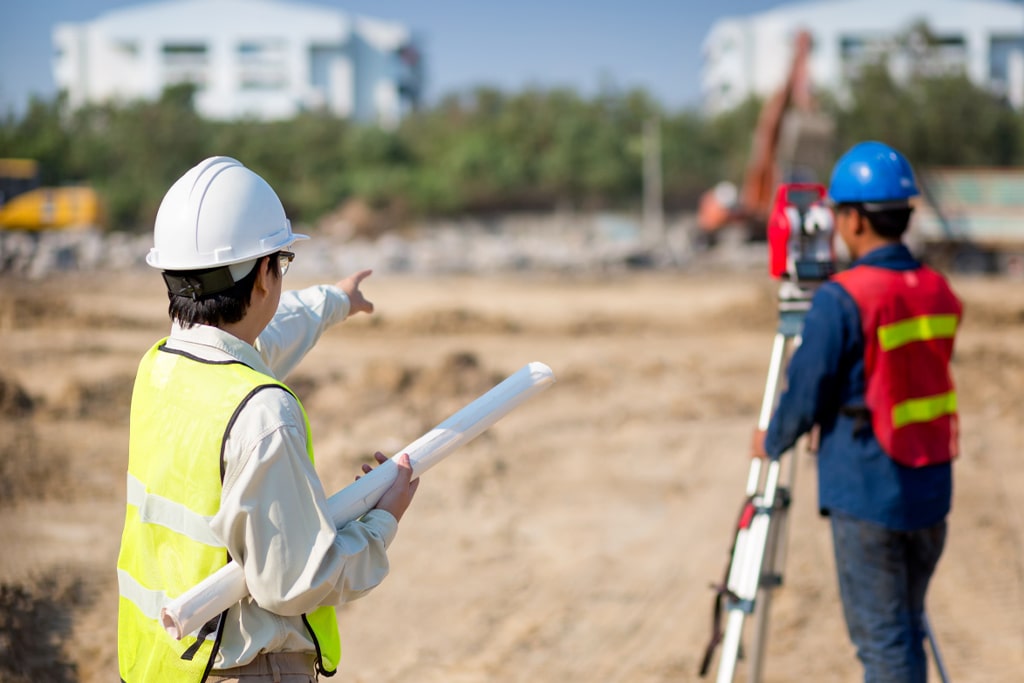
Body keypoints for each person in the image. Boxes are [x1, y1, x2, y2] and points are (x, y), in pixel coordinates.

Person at [117, 156, 420, 683]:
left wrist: (333, 301)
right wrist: (381, 520)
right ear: (264, 275)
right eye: (280, 262)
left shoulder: (160, 369)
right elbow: (296, 581)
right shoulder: (262, 414)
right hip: (245, 669)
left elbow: (258, 340)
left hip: (160, 664)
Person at [752, 141, 962, 682]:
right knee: (904, 630)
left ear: (853, 221)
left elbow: (806, 392)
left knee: (885, 647)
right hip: (931, 487)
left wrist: (771, 440)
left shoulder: (844, 298)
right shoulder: (936, 289)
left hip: (871, 494)